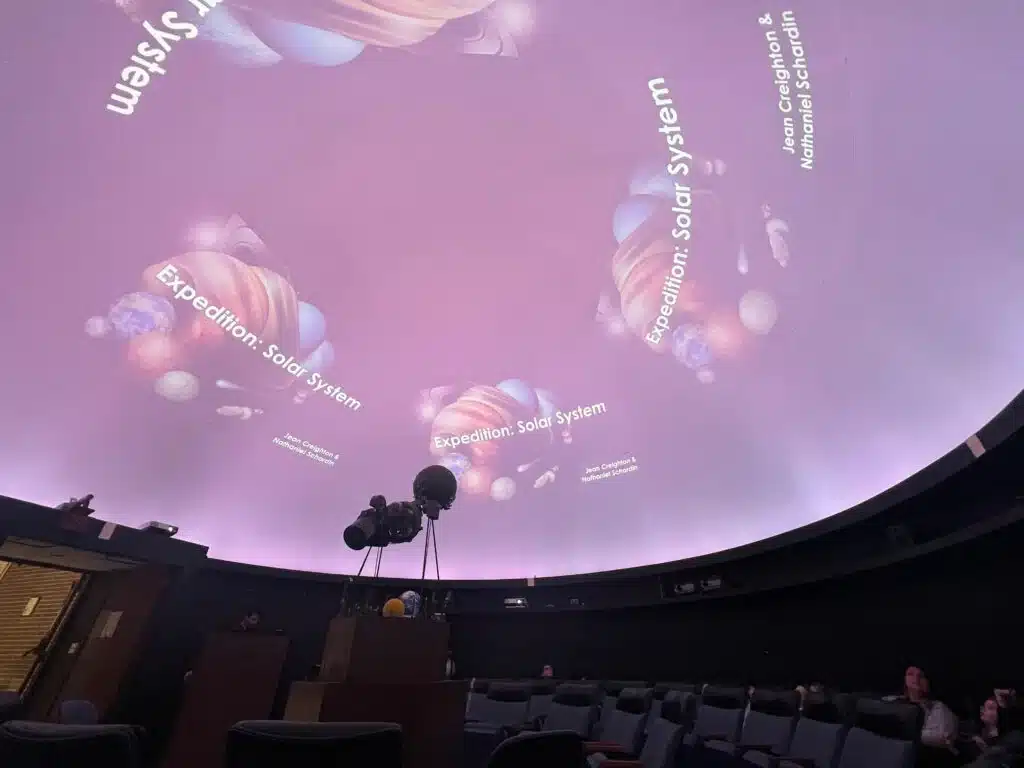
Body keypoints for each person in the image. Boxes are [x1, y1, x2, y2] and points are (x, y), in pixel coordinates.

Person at [887, 667, 959, 750]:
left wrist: (907, 733)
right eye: (910, 674)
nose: (916, 678)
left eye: (921, 676)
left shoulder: (939, 708)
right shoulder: (892, 700)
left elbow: (944, 738)